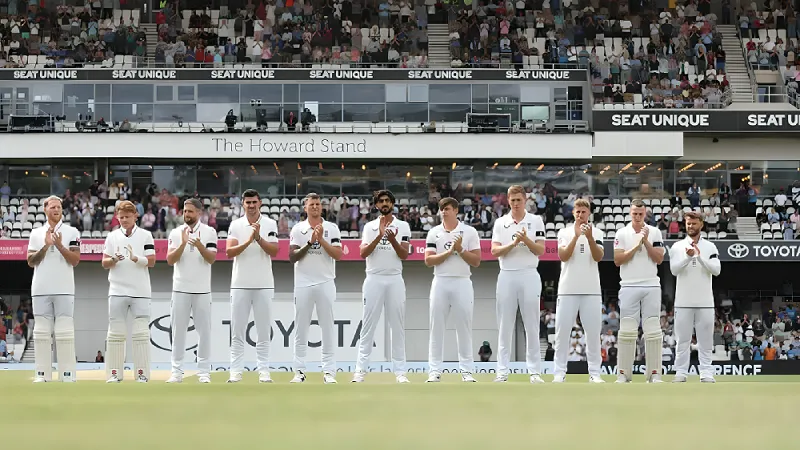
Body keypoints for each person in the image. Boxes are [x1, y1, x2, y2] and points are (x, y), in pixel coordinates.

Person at [353, 190, 411, 383]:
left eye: (387, 201)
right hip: (374, 278)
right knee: (368, 327)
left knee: (398, 326)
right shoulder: (369, 227)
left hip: (394, 278)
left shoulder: (402, 226)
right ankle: (360, 371)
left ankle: (400, 372)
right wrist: (379, 236)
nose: (384, 203)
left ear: (392, 204)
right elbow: (362, 253)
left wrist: (391, 237)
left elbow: (404, 254)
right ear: (376, 205)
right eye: (381, 201)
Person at [490, 185, 546, 383]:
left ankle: (534, 373)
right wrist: (513, 244)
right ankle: (502, 372)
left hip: (529, 274)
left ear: (525, 200)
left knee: (531, 325)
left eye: (518, 200)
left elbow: (540, 249)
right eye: (512, 200)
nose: (515, 204)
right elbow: (494, 251)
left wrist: (525, 240)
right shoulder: (501, 223)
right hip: (507, 274)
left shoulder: (535, 220)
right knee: (505, 325)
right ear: (508, 200)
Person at [424, 197, 481, 382]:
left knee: (463, 327)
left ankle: (466, 372)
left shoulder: (469, 231)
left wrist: (461, 250)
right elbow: (428, 260)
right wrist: (450, 252)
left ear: (456, 210)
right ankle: (434, 371)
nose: (444, 212)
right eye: (441, 209)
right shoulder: (434, 232)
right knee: (436, 327)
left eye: (447, 208)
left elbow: (476, 261)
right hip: (440, 281)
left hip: (462, 282)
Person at [225, 189, 279, 384]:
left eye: (254, 202)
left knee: (263, 331)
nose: (251, 205)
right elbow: (229, 252)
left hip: (264, 284)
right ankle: (236, 372)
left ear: (260, 203)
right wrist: (249, 241)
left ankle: (263, 371)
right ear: (243, 204)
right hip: (240, 284)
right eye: (247, 202)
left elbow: (274, 250)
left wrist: (258, 238)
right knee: (237, 332)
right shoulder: (236, 225)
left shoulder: (270, 224)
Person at [289, 193, 343, 384]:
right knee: (301, 329)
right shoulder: (298, 229)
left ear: (322, 207)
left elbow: (338, 254)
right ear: (305, 208)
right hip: (303, 283)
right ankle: (299, 372)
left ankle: (329, 372)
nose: (314, 207)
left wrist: (321, 240)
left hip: (325, 282)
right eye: (311, 204)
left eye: (317, 204)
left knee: (327, 328)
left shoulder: (331, 228)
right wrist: (311, 242)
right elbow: (292, 257)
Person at [26, 195, 81, 383]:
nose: (56, 210)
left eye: (58, 207)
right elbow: (31, 261)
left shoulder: (72, 232)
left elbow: (75, 260)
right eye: (52, 207)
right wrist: (46, 245)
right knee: (41, 332)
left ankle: (67, 374)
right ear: (45, 209)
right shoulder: (35, 233)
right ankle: (42, 374)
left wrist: (58, 245)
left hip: (65, 289)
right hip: (41, 288)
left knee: (65, 331)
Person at [101, 200, 156, 383]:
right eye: (121, 217)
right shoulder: (112, 237)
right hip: (117, 290)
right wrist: (114, 260)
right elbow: (104, 263)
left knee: (141, 333)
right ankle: (114, 374)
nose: (124, 220)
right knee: (116, 333)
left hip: (140, 290)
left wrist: (135, 258)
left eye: (127, 216)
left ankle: (142, 374)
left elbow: (152, 261)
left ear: (135, 216)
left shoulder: (146, 236)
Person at [165, 198, 218, 384]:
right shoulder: (176, 232)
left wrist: (198, 245)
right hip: (180, 289)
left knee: (204, 332)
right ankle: (176, 372)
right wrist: (183, 243)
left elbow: (211, 258)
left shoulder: (209, 232)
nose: (187, 214)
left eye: (190, 211)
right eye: (185, 211)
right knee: (178, 332)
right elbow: (170, 260)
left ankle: (203, 372)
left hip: (202, 290)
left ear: (199, 212)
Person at [613, 199, 665, 383]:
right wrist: (636, 245)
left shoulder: (655, 232)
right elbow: (618, 260)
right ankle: (623, 373)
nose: (637, 217)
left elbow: (659, 258)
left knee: (652, 328)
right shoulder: (622, 232)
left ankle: (654, 373)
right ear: (630, 213)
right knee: (627, 329)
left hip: (651, 284)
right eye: (634, 213)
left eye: (640, 214)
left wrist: (646, 242)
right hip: (628, 284)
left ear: (645, 214)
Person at [553, 198, 605, 383]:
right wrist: (576, 236)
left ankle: (595, 373)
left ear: (589, 213)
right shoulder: (564, 232)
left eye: (584, 212)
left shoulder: (597, 232)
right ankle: (559, 372)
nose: (581, 215)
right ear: (573, 213)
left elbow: (599, 257)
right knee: (562, 333)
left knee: (593, 333)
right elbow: (563, 256)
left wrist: (589, 237)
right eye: (578, 212)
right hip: (567, 289)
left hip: (591, 290)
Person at [669, 211, 721, 383]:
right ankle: (681, 373)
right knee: (682, 341)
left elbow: (716, 270)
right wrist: (688, 257)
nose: (690, 226)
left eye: (694, 223)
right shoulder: (677, 246)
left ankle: (706, 372)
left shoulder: (710, 247)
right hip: (683, 302)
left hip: (705, 302)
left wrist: (699, 257)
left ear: (701, 225)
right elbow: (674, 270)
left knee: (705, 341)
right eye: (688, 223)